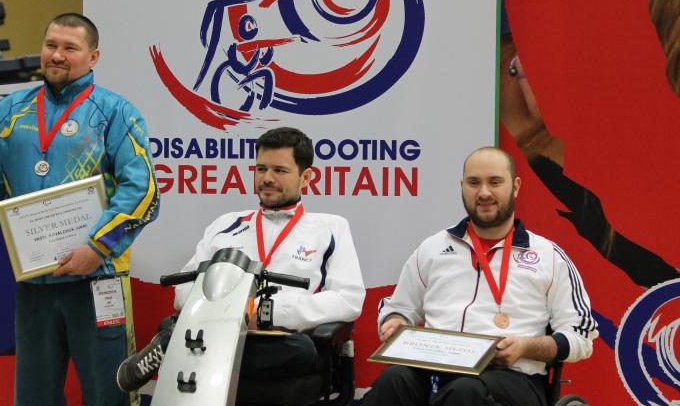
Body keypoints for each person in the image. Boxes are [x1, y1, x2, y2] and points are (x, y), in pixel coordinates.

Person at [0, 13, 160, 406]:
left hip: (99, 280)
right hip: (35, 285)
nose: (57, 56)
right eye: (51, 45)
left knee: (108, 395)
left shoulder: (115, 113)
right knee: (34, 397)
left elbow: (143, 191)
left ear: (93, 57)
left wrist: (97, 247)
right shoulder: (10, 112)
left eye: (70, 48)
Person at [116, 126, 365, 391]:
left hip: (281, 340)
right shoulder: (226, 224)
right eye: (261, 169)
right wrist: (237, 312)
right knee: (180, 326)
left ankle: (168, 346)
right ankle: (180, 343)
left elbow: (348, 299)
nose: (267, 178)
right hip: (218, 330)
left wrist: (273, 313)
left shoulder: (331, 228)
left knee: (302, 350)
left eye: (279, 171)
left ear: (306, 177)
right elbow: (183, 290)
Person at [362, 147, 597, 406]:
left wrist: (526, 347)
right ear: (462, 186)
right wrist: (395, 321)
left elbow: (581, 337)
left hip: (512, 379)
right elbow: (398, 308)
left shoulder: (548, 256)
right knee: (393, 379)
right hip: (434, 371)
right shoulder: (433, 248)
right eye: (474, 183)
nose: (484, 192)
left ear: (515, 186)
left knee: (465, 392)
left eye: (495, 182)